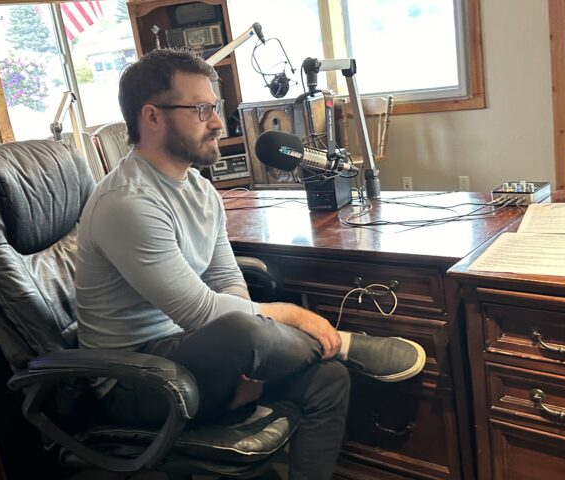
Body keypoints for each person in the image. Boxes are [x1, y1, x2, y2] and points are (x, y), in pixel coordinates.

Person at [75, 48, 426, 480]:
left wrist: (253, 362)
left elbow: (225, 276)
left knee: (328, 380)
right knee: (244, 330)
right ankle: (344, 343)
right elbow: (201, 312)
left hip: (196, 353)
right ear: (152, 117)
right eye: (201, 110)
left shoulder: (200, 190)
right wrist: (292, 318)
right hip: (136, 379)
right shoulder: (127, 204)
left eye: (215, 107)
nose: (217, 123)